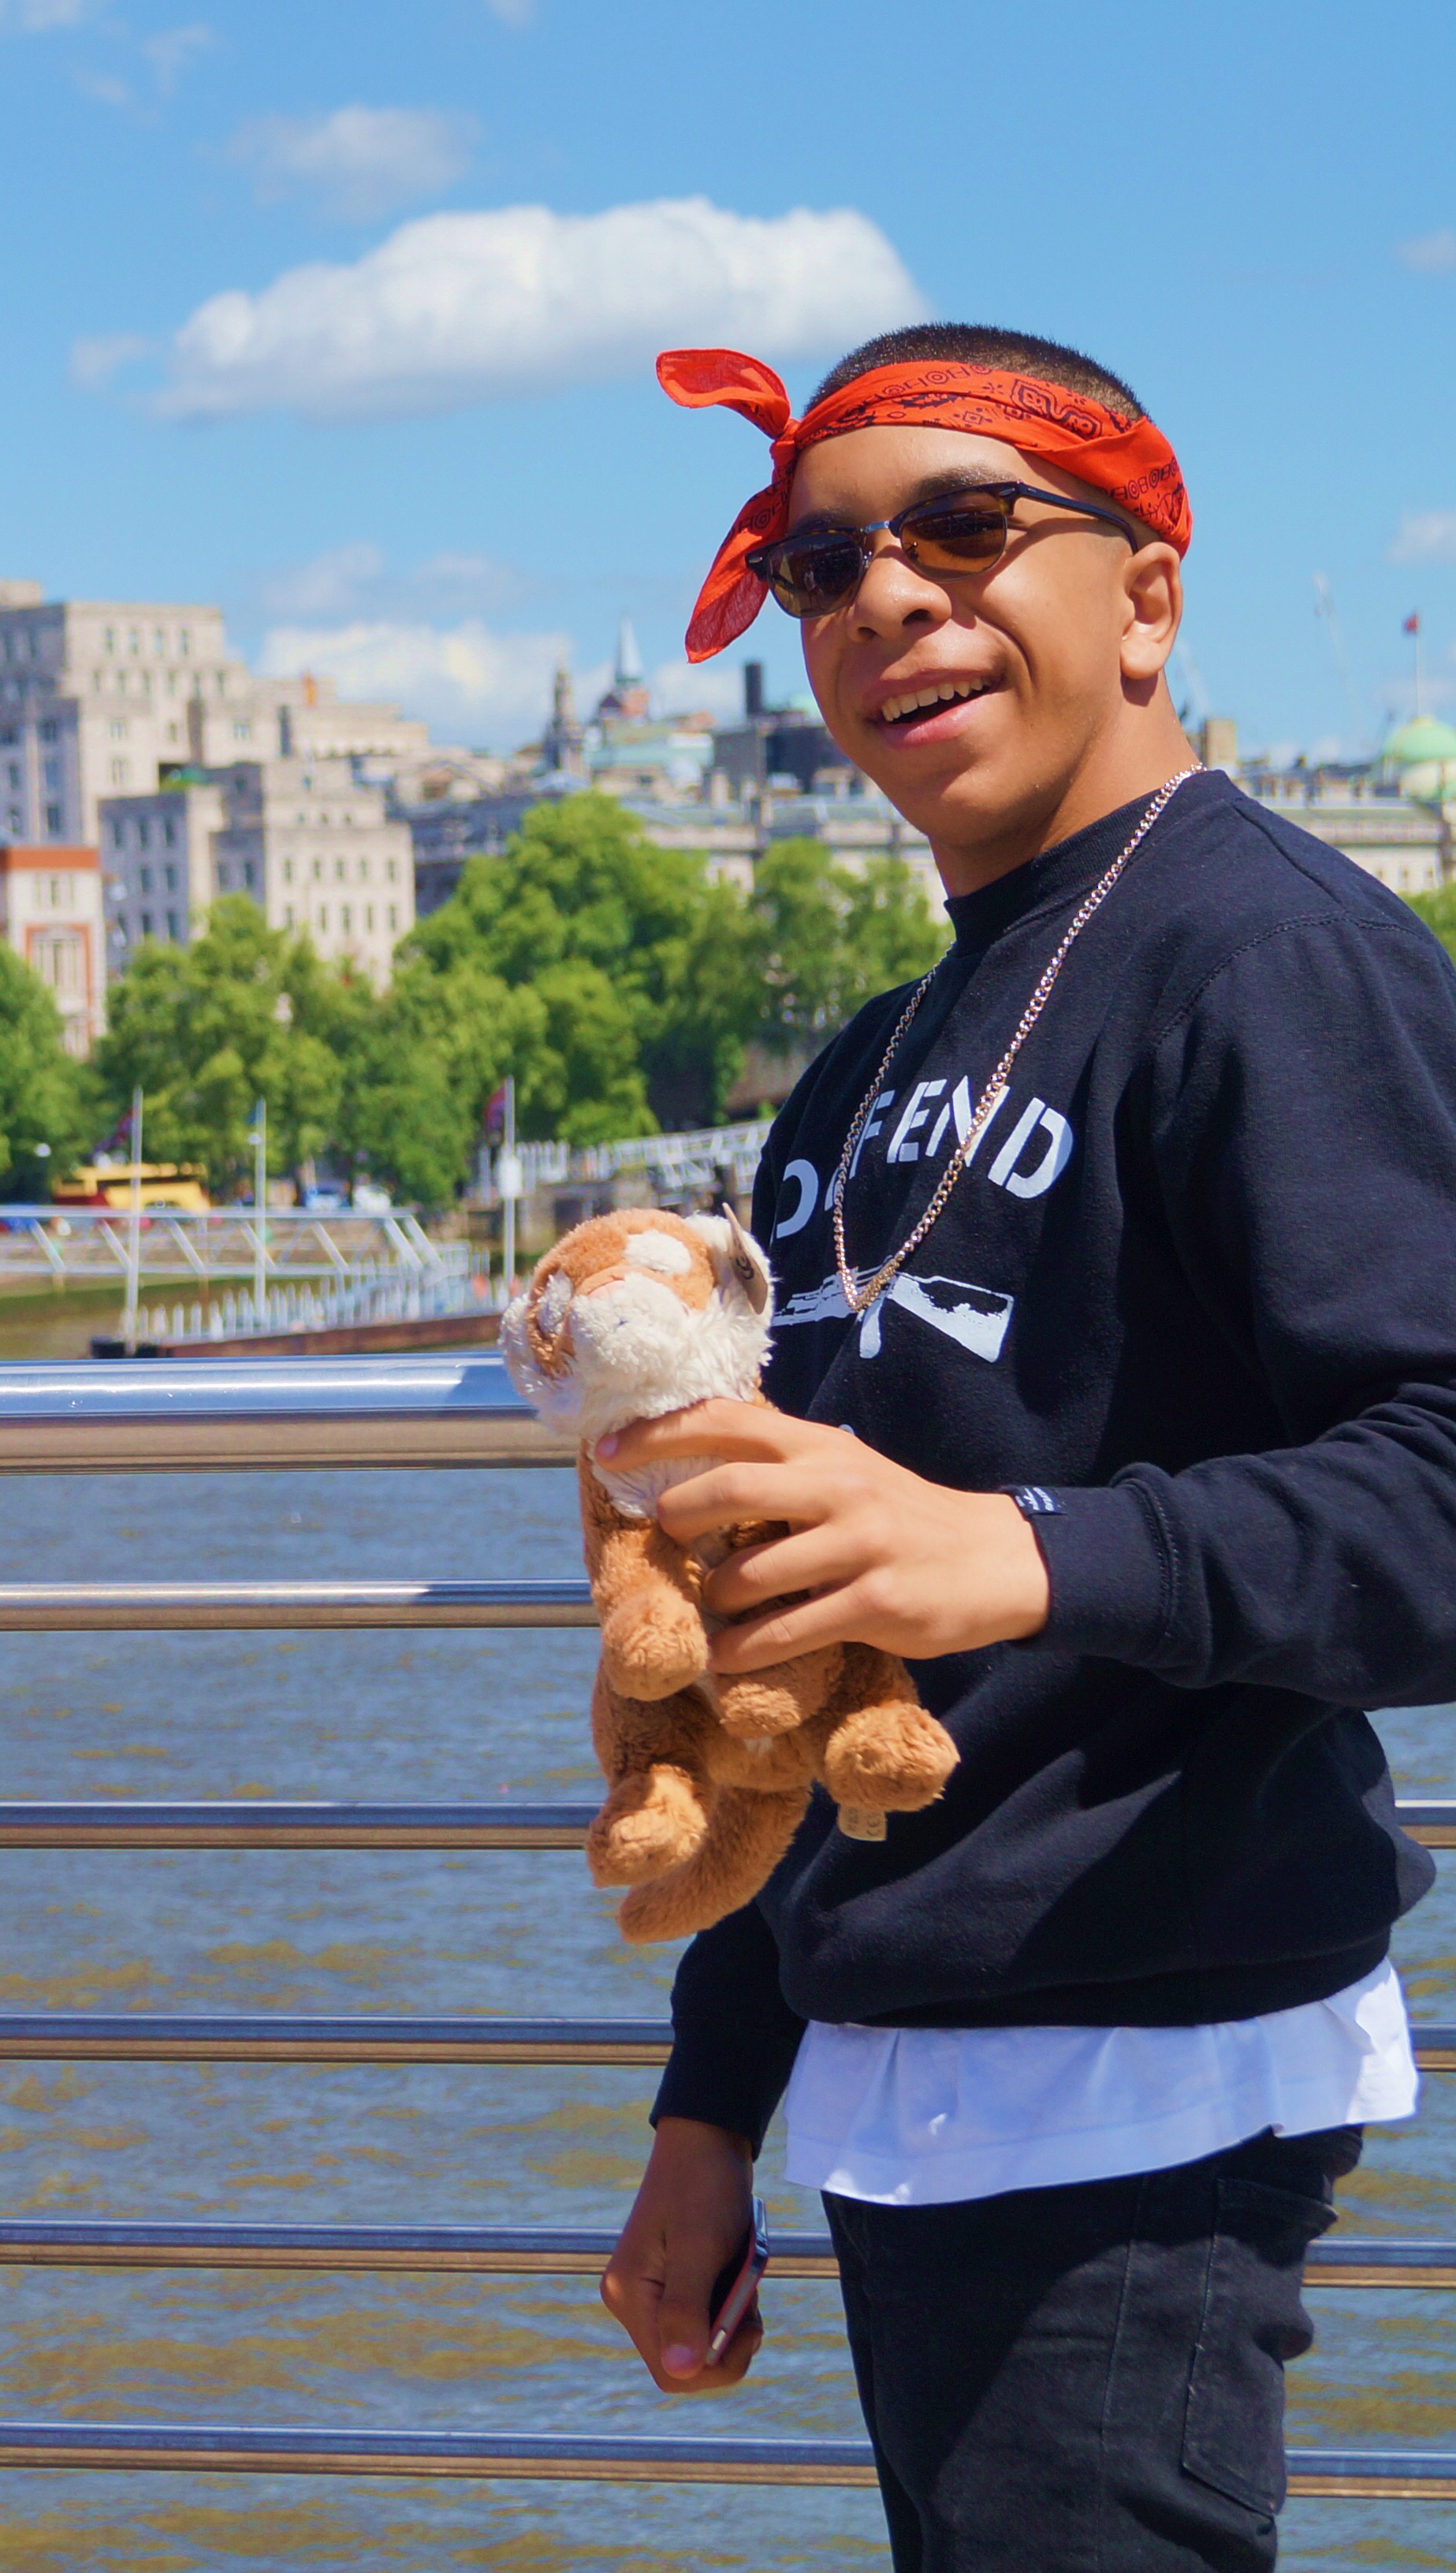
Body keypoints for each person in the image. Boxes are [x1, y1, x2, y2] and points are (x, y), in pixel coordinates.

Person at [594, 326, 1454, 2569]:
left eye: (968, 529)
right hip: (904, 2067)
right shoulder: (872, 1061)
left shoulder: (1271, 956)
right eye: (823, 563)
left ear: (1147, 595)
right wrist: (715, 2098)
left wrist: (1032, 1554)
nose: (891, 595)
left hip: (1149, 2068)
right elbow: (798, 1640)